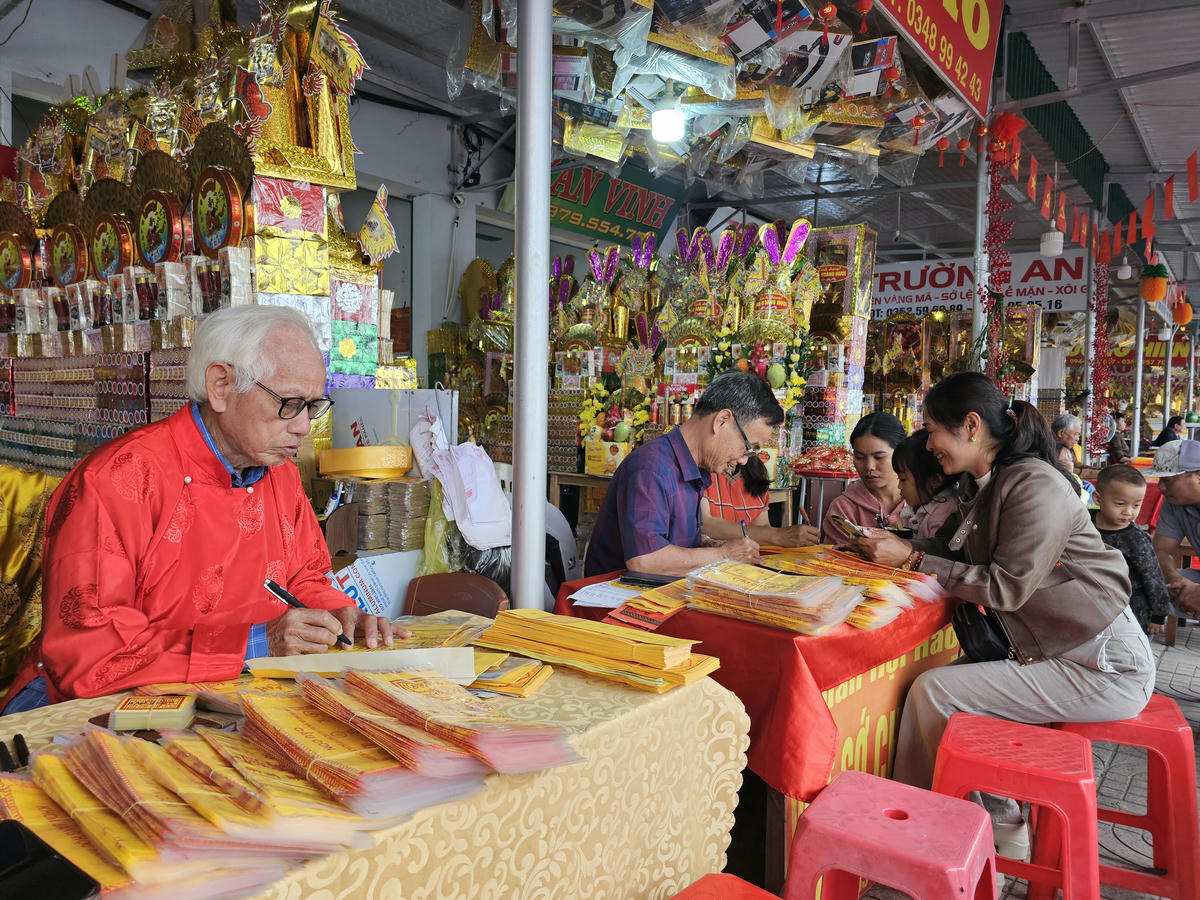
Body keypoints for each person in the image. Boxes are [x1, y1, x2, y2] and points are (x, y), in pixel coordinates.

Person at [2, 306, 399, 713]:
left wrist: (338, 616)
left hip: (228, 698)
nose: (302, 426)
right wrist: (256, 643)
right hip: (90, 711)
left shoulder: (280, 474)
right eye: (291, 403)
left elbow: (303, 577)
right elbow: (90, 652)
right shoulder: (119, 478)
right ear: (221, 386)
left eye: (313, 406)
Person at [852, 373, 1154, 855]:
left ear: (970, 426)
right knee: (940, 686)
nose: (928, 446)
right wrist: (901, 546)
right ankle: (989, 813)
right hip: (1052, 648)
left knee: (934, 691)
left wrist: (910, 559)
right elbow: (960, 549)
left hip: (1103, 666)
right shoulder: (991, 483)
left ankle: (933, 830)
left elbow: (1005, 586)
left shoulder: (1034, 485)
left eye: (932, 430)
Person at [584, 371, 782, 577]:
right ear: (722, 421)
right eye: (748, 447)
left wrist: (711, 545)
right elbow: (646, 560)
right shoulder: (652, 468)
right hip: (615, 601)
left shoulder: (693, 467)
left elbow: (675, 541)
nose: (743, 460)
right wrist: (723, 555)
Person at [1092, 465, 1168, 635]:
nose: (1128, 512)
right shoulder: (1083, 524)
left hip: (1131, 611)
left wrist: (1158, 615)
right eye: (1120, 504)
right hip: (1092, 605)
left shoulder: (1136, 540)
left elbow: (1153, 577)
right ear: (1097, 499)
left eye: (1136, 505)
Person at [820, 412, 906, 546]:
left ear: (901, 453)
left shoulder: (922, 504)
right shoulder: (843, 509)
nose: (869, 466)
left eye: (879, 457)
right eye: (860, 457)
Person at [702, 454, 819, 547]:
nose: (743, 460)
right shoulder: (703, 472)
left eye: (753, 448)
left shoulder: (754, 474)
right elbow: (705, 525)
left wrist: (786, 538)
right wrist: (777, 536)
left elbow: (762, 529)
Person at [1147, 439, 1200, 619]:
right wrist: (1174, 580)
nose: (1161, 487)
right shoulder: (1174, 503)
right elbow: (1160, 552)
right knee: (1144, 584)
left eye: (1168, 480)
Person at [892, 430, 956, 540]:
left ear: (934, 481)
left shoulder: (944, 512)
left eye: (903, 479)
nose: (899, 486)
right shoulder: (913, 509)